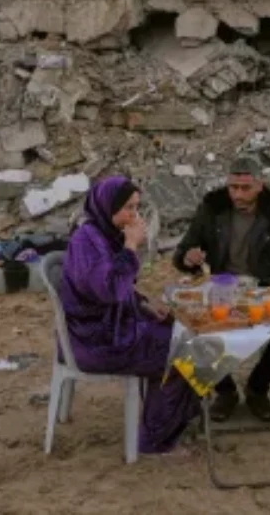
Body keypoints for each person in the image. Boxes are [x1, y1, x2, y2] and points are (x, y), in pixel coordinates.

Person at [59, 175, 198, 457]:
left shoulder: (103, 233)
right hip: (96, 341)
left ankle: (172, 418)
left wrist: (145, 303)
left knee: (176, 330)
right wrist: (132, 245)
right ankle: (154, 441)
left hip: (109, 328)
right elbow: (110, 290)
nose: (134, 215)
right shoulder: (87, 241)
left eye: (136, 207)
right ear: (108, 206)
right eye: (128, 208)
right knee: (182, 352)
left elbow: (119, 288)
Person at [173, 157, 270, 423]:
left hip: (262, 290)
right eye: (233, 187)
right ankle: (225, 391)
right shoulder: (212, 208)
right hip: (221, 289)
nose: (238, 195)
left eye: (245, 188)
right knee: (187, 333)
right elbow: (182, 254)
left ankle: (257, 388)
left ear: (259, 186)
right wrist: (189, 258)